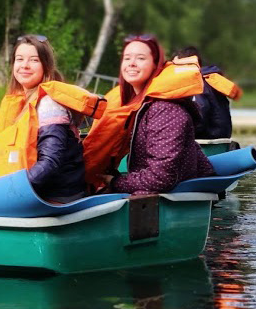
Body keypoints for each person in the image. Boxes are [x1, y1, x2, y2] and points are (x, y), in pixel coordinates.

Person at [0, 35, 101, 203]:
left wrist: (4, 185)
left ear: (46, 65)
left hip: (56, 194)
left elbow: (50, 163)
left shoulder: (49, 104)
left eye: (34, 60)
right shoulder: (20, 102)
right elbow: (19, 159)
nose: (25, 66)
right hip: (36, 188)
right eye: (19, 59)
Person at [84, 34, 215, 194]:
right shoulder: (141, 105)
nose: (131, 63)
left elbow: (161, 177)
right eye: (127, 58)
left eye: (140, 58)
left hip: (166, 197)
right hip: (154, 186)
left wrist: (116, 182)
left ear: (155, 65)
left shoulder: (165, 110)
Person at [172, 46, 242, 139]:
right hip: (223, 135)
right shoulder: (210, 78)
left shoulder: (198, 83)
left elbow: (201, 113)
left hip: (209, 137)